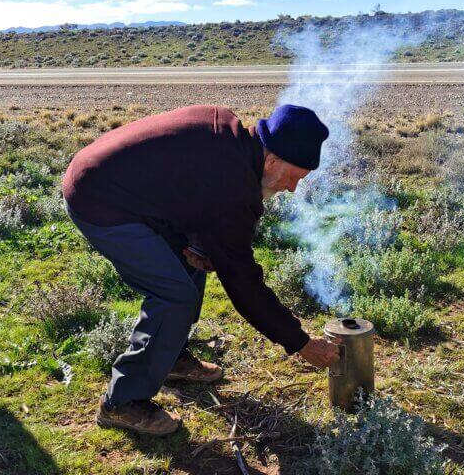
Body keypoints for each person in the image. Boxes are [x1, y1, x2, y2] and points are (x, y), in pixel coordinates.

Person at [62, 103, 341, 436]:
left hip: (117, 183)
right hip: (99, 198)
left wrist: (199, 238)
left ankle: (170, 358)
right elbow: (243, 284)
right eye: (294, 178)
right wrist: (300, 343)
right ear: (272, 161)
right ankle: (122, 402)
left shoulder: (229, 133)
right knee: (174, 295)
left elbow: (183, 182)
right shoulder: (232, 186)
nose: (292, 189)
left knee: (190, 260)